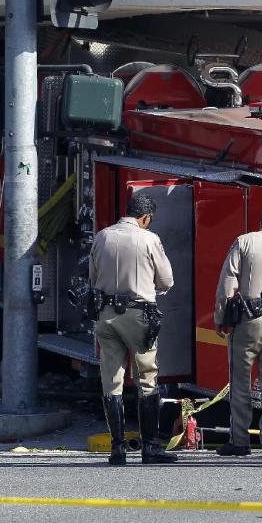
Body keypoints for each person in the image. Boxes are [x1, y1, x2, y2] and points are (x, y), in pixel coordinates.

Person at [91, 193, 178, 466]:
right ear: (146, 218)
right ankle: (150, 447)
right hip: (138, 314)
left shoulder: (102, 236)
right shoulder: (149, 239)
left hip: (105, 314)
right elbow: (166, 279)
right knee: (147, 378)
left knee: (111, 381)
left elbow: (92, 277)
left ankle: (117, 449)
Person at [214, 206, 262, 458]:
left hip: (249, 317)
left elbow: (228, 281)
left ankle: (240, 440)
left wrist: (220, 316)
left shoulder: (244, 241)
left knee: (241, 380)